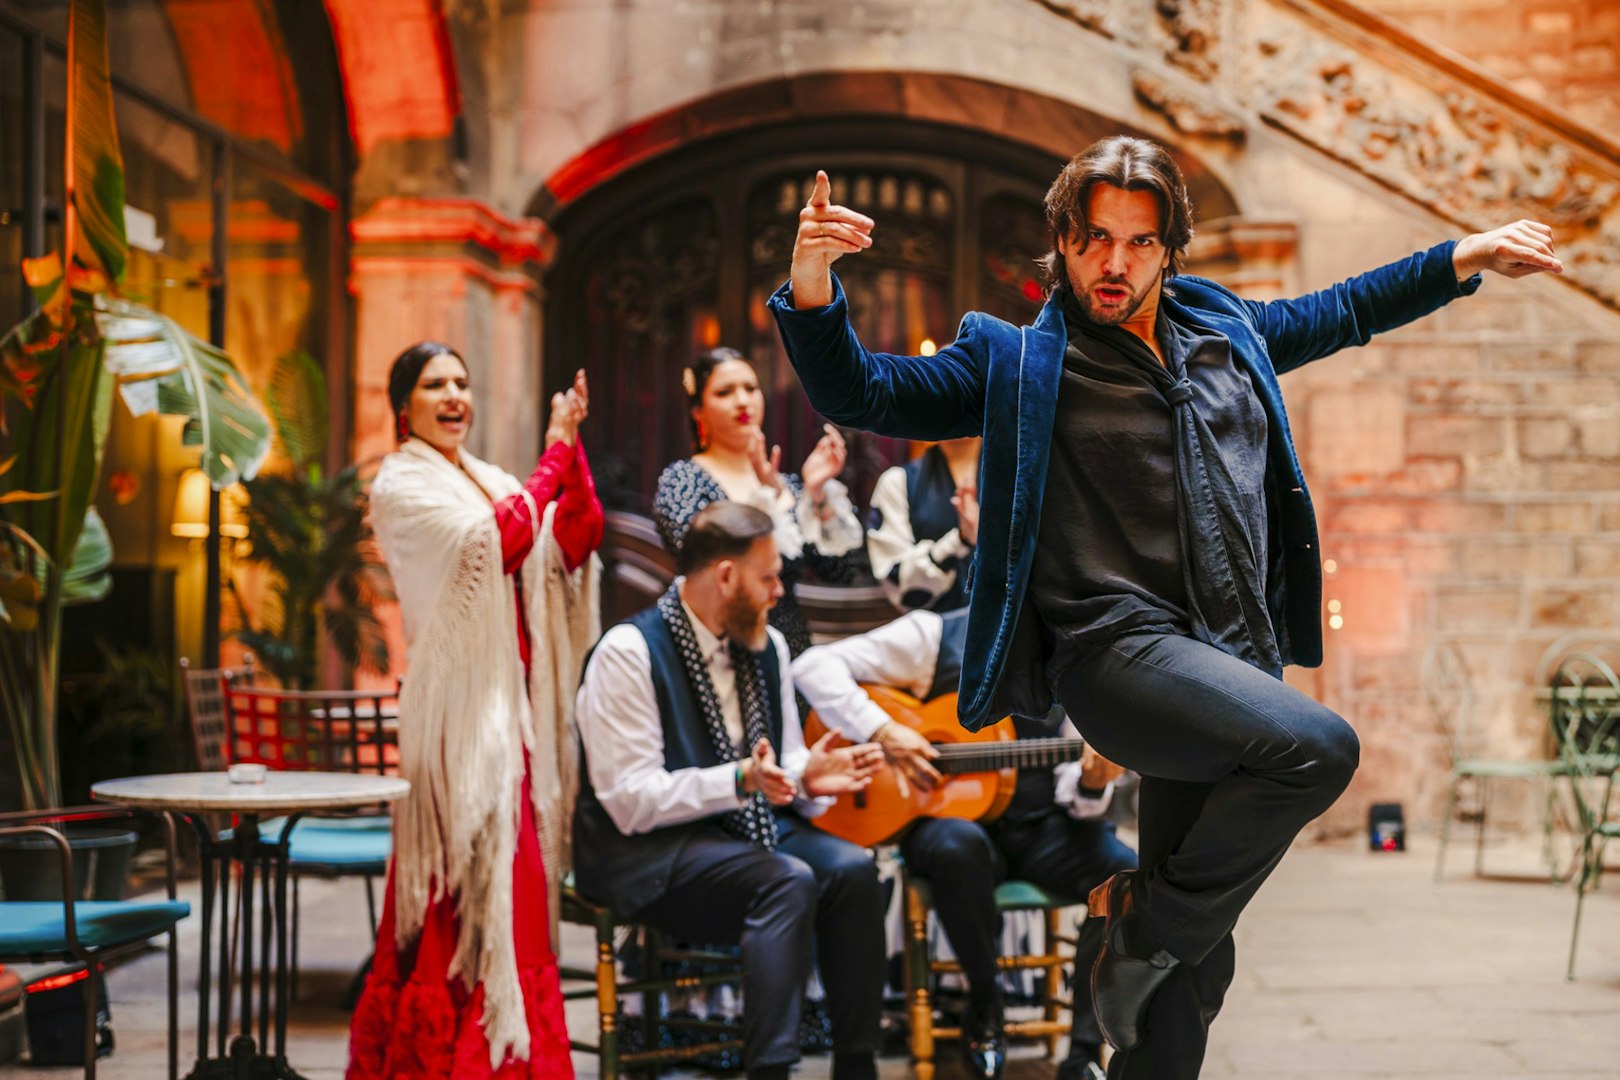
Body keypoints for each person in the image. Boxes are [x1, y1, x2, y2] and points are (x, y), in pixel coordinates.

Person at [769, 135, 1562, 1079]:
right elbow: (865, 390)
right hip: (1113, 652)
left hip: (1223, 656)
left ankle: (1145, 951)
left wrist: (1461, 258)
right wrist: (814, 288)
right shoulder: (1019, 361)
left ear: (1169, 248)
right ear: (1062, 241)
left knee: (1190, 979)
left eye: (1140, 243)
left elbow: (1344, 310)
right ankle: (1134, 922)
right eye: (1095, 238)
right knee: (1320, 748)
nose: (1116, 263)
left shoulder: (1223, 329)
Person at [348, 342, 604, 1079]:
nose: (454, 394)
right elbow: (499, 540)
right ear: (405, 406)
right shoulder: (401, 485)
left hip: (511, 722)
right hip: (456, 728)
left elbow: (570, 539)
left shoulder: (487, 479)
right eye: (435, 385)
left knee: (516, 900)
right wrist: (553, 457)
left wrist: (572, 453)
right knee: (452, 900)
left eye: (462, 381)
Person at [573, 501, 888, 1080]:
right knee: (785, 882)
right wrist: (741, 779)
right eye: (768, 577)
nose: (778, 592)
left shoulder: (767, 646)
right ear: (724, 576)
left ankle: (856, 1064)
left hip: (743, 832)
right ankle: (770, 1071)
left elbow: (782, 759)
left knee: (853, 872)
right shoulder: (629, 652)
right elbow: (630, 799)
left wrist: (806, 777)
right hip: (646, 851)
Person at [793, 605, 1135, 1080]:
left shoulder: (1084, 655)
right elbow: (811, 667)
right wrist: (884, 730)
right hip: (946, 824)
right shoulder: (934, 636)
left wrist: (1095, 783)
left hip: (1044, 828)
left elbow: (1077, 790)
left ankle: (1081, 1054)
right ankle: (984, 999)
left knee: (1123, 879)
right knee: (958, 847)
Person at [654, 346, 864, 655]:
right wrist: (769, 500)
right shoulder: (683, 480)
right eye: (725, 392)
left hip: (789, 649)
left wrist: (815, 492)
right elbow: (699, 559)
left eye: (751, 388)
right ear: (697, 409)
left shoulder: (787, 486)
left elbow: (841, 571)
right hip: (717, 645)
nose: (742, 401)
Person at [866, 435, 982, 612]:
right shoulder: (898, 482)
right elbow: (899, 585)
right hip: (938, 631)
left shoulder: (1017, 479)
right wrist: (960, 540)